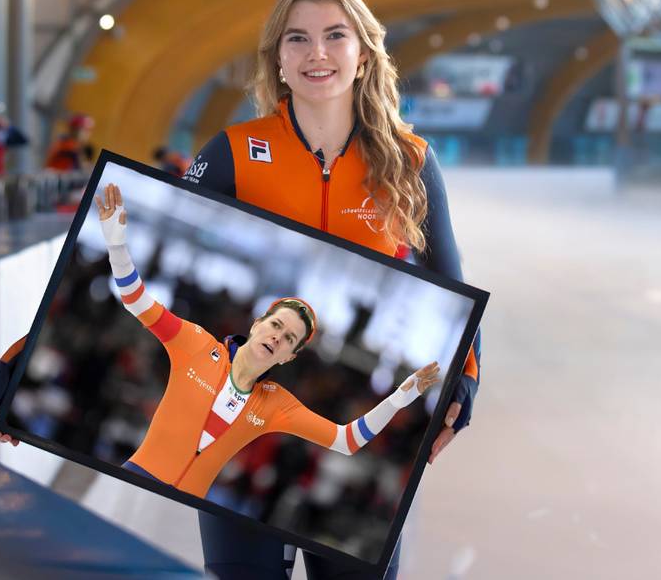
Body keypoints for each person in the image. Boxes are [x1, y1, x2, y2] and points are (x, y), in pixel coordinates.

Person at [0, 0, 482, 579]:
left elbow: (450, 278)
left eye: (334, 35)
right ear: (276, 58)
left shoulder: (410, 161)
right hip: (223, 472)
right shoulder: (232, 152)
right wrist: (18, 358)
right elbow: (129, 289)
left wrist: (465, 381)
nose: (316, 54)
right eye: (297, 39)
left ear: (364, 51)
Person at [94, 182, 439, 499]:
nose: (278, 336)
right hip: (132, 481)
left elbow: (347, 440)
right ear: (257, 324)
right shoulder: (196, 343)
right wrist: (116, 244)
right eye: (276, 325)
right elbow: (136, 300)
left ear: (289, 356)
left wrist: (400, 397)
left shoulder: (276, 404)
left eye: (289, 338)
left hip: (182, 509)